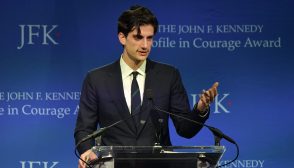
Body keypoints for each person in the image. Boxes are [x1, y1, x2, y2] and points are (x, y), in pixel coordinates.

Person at [74, 5, 219, 168]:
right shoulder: (96, 79)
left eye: (149, 38)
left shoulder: (168, 76)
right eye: (138, 37)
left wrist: (200, 110)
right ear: (122, 37)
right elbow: (84, 130)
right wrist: (87, 151)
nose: (145, 45)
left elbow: (185, 130)